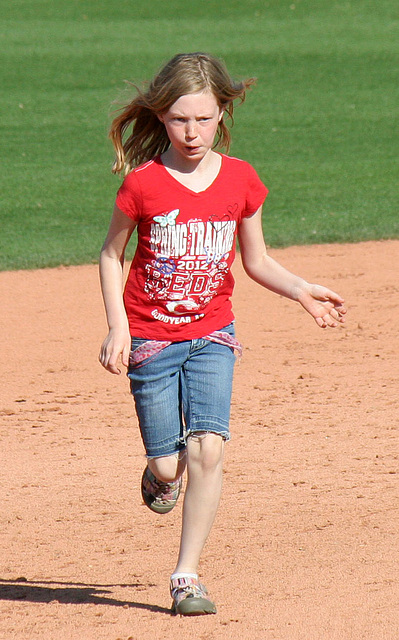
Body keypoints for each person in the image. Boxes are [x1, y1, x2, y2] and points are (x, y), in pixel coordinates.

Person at [98, 52, 346, 616]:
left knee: (209, 448)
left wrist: (301, 289)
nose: (193, 131)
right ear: (161, 116)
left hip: (213, 335)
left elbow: (255, 260)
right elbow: (112, 256)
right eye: (181, 119)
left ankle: (186, 575)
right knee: (169, 465)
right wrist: (118, 327)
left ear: (222, 113)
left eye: (204, 118)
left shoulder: (240, 179)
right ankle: (161, 475)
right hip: (152, 339)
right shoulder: (144, 185)